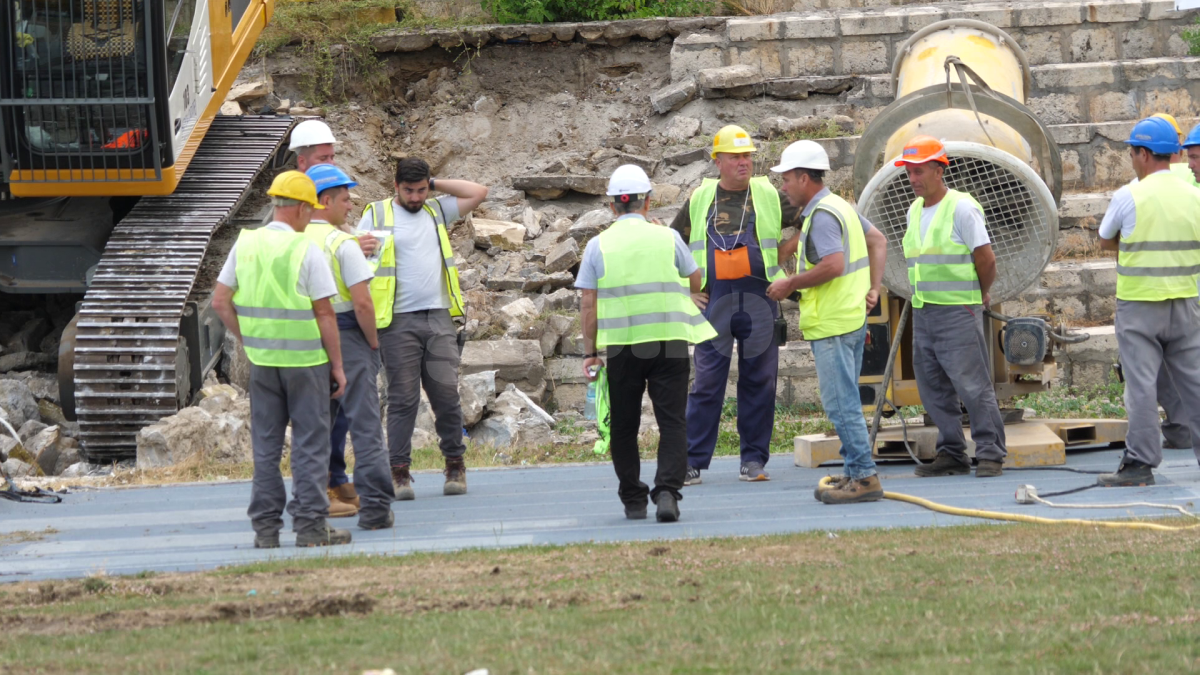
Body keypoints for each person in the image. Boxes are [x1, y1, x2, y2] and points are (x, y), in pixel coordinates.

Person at [211, 171, 350, 548]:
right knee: (310, 445)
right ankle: (309, 528)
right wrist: (337, 366)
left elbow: (221, 301)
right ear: (303, 209)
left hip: (262, 363)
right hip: (305, 364)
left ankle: (266, 531)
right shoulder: (306, 250)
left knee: (267, 447)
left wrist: (249, 340)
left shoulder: (247, 243)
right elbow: (325, 314)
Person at [579, 165, 716, 521]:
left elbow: (588, 304)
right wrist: (688, 293)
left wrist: (590, 352)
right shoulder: (667, 238)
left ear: (612, 207)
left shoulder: (597, 246)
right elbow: (696, 277)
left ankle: (633, 498)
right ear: (647, 203)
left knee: (624, 425)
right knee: (672, 421)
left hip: (624, 347)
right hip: (669, 341)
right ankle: (668, 491)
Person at [669, 125, 800, 485]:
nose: (745, 163)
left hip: (761, 300)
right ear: (718, 161)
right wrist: (687, 291)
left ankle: (753, 461)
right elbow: (674, 244)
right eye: (736, 157)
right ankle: (692, 462)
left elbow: (810, 220)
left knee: (760, 382)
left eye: (748, 156)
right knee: (707, 383)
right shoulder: (700, 198)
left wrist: (784, 259)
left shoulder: (768, 194)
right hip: (716, 304)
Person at [357, 158, 488, 499]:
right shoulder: (376, 214)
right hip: (397, 321)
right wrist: (356, 248)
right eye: (408, 190)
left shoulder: (435, 210)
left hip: (438, 318)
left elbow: (479, 192)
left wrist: (436, 184)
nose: (415, 197)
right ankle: (399, 473)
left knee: (446, 395)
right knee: (403, 399)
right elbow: (353, 257)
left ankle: (455, 466)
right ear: (394, 185)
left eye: (420, 190)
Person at [765, 141, 888, 503]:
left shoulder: (821, 216)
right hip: (848, 318)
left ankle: (864, 477)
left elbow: (833, 264)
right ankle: (853, 471)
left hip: (834, 322)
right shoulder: (840, 207)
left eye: (786, 179)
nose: (783, 188)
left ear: (804, 178)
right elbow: (877, 240)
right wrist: (873, 289)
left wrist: (789, 283)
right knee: (846, 398)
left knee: (840, 403)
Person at [1096, 116, 1200, 485]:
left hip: (1140, 306)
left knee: (1141, 386)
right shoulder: (1194, 193)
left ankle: (1140, 464)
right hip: (1186, 303)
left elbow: (1106, 239)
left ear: (1142, 154)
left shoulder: (1130, 195)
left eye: (1131, 153)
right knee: (1195, 384)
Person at [897, 135, 1007, 478]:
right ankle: (951, 451)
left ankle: (990, 452)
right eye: (909, 173)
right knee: (933, 388)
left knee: (973, 385)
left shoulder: (962, 208)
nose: (913, 179)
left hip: (959, 311)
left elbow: (985, 259)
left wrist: (980, 293)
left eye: (918, 172)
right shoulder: (914, 210)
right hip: (925, 311)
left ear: (938, 169)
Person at [303, 164, 393, 528]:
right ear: (325, 201)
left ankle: (316, 501)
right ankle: (374, 510)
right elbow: (363, 304)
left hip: (303, 339)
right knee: (365, 424)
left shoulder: (294, 241)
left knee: (313, 424)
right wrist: (372, 343)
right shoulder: (342, 243)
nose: (351, 205)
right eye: (345, 198)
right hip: (347, 334)